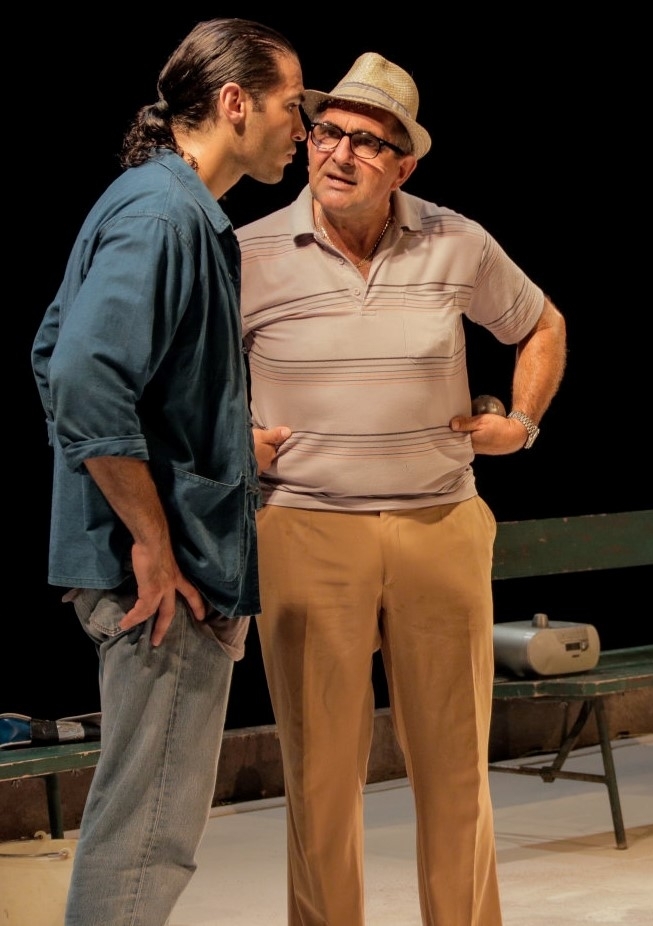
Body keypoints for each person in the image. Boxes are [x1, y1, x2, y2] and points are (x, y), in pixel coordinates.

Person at [237, 53, 566, 926]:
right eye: (327, 133)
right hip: (306, 529)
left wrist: (521, 423)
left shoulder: (456, 239)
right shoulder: (247, 252)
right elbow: (180, 377)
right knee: (319, 780)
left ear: (404, 165)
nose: (339, 154)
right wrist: (230, 436)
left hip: (439, 524)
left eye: (367, 142)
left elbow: (541, 324)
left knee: (456, 771)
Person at [30, 18, 305, 926]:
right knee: (148, 837)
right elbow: (81, 376)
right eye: (290, 105)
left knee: (147, 830)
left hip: (162, 560)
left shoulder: (154, 201)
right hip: (166, 581)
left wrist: (220, 449)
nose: (301, 127)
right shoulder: (164, 215)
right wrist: (149, 535)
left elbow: (53, 354)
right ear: (234, 103)